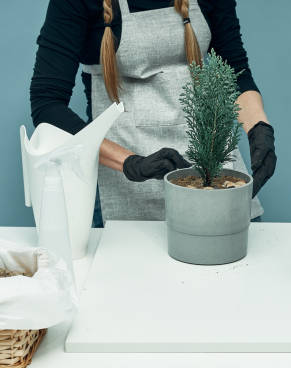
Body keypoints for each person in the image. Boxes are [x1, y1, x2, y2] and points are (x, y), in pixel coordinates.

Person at [30, 0, 277, 226]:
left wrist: (258, 127)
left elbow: (235, 71)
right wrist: (132, 163)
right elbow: (47, 104)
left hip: (211, 167)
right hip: (121, 172)